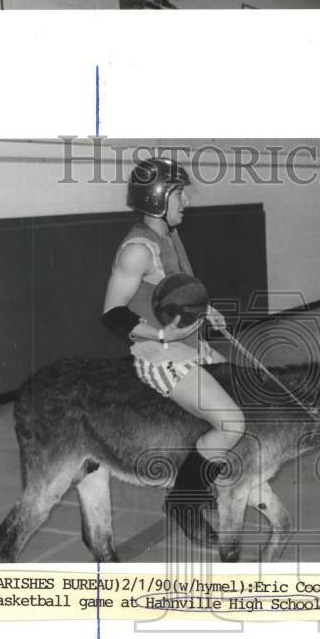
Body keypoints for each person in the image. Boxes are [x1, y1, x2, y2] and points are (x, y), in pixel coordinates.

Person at [101, 156, 241, 545]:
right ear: (160, 197)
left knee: (245, 392)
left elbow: (178, 292)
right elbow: (112, 314)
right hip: (159, 357)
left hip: (190, 347)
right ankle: (183, 500)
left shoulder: (170, 237)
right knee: (232, 422)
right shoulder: (137, 251)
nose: (187, 202)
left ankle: (199, 475)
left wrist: (205, 309)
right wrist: (161, 335)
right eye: (180, 194)